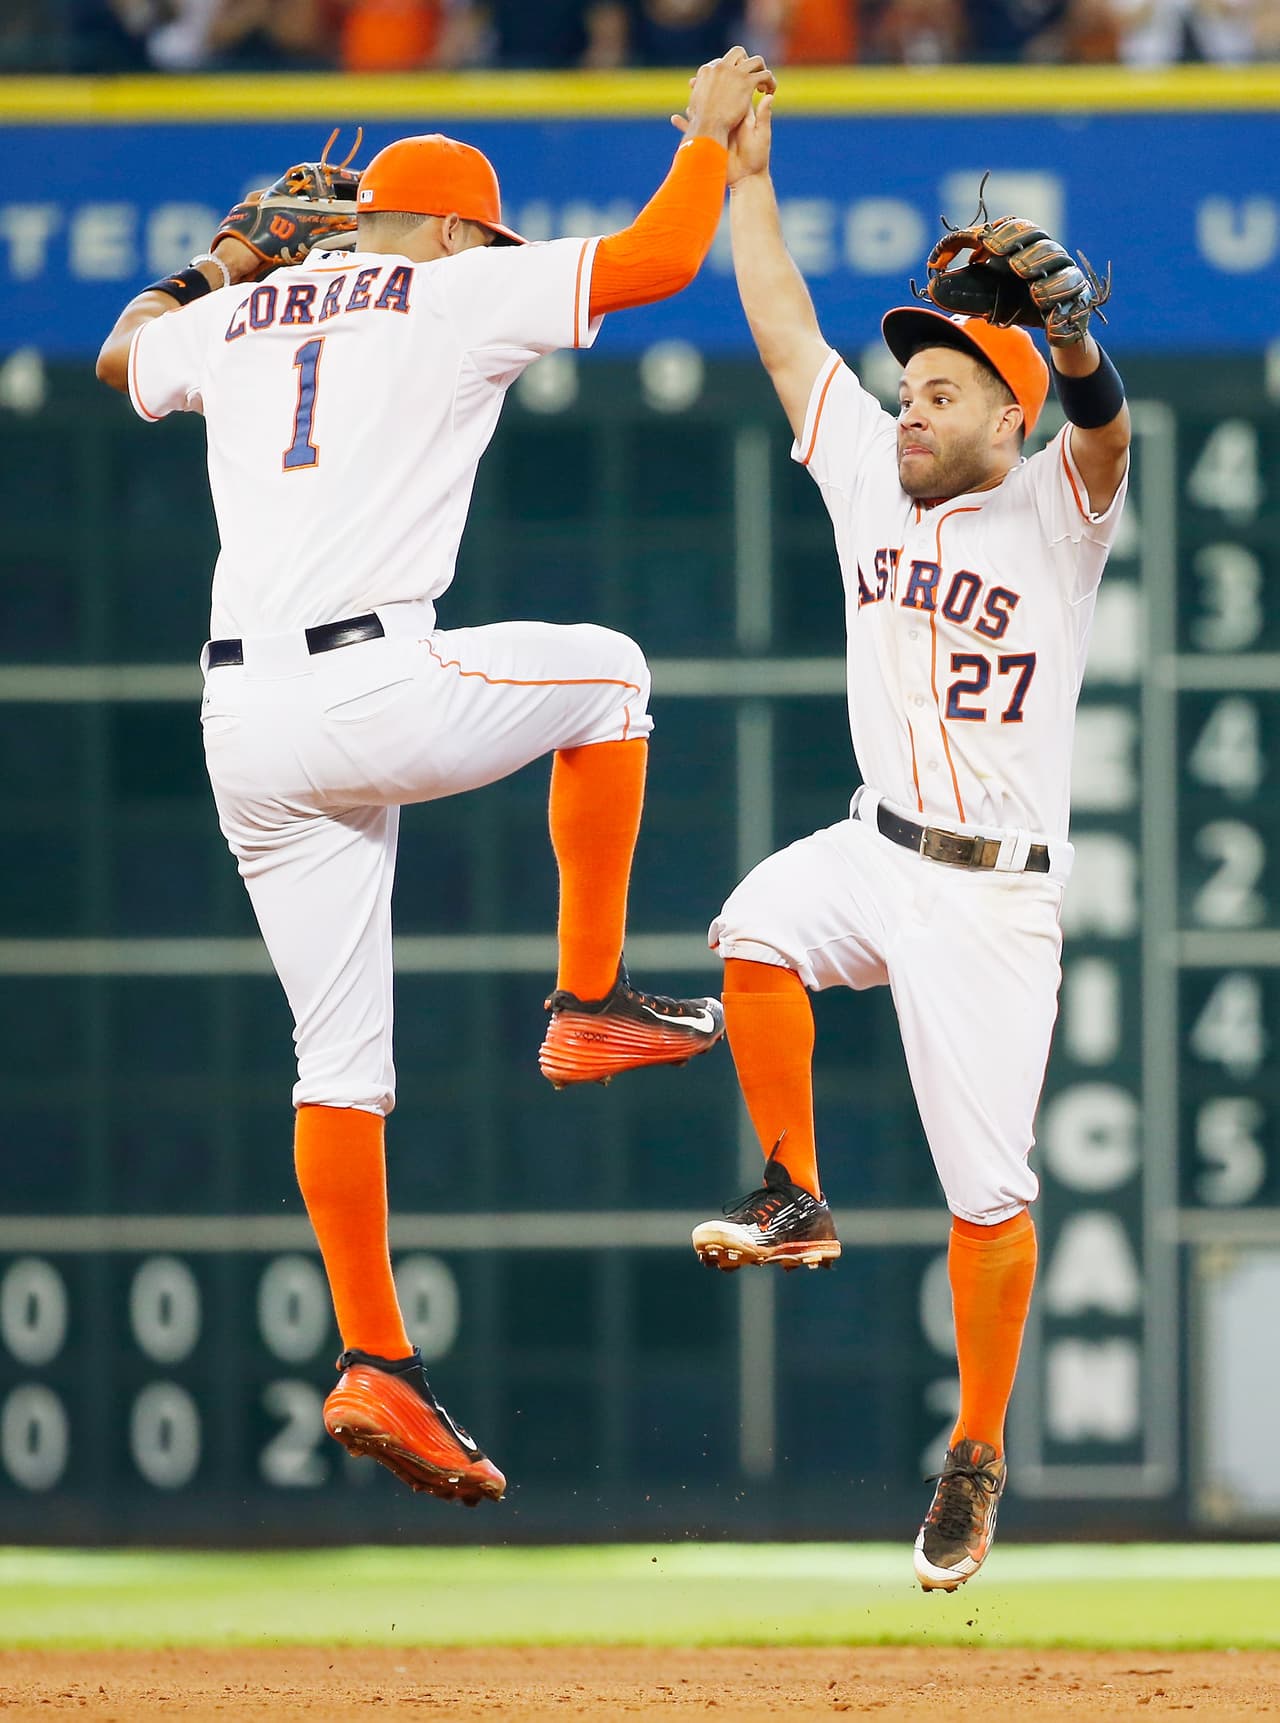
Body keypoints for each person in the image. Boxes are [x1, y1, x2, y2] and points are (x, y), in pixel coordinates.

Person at [95, 47, 773, 1508]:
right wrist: (711, 140)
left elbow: (119, 359)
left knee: (337, 1065)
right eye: (489, 236)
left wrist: (223, 259)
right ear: (461, 228)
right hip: (363, 683)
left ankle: (377, 1364)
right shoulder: (451, 286)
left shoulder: (241, 312)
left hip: (238, 723)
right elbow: (659, 258)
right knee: (612, 675)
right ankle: (588, 1004)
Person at [683, 89, 1129, 1587]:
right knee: (754, 925)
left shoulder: (1058, 514)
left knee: (987, 1197)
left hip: (996, 901)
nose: (915, 406)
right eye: (912, 386)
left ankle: (977, 1452)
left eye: (947, 389)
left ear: (1010, 419)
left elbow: (1107, 433)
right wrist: (746, 175)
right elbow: (783, 332)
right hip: (877, 846)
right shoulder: (870, 475)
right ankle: (794, 1193)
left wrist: (1072, 343)